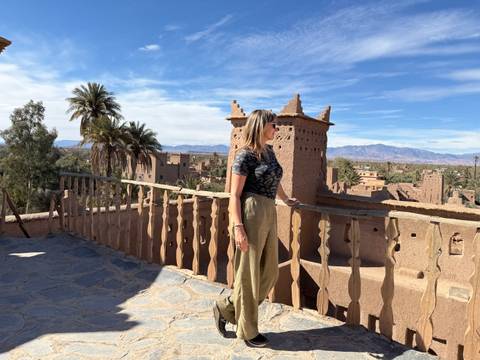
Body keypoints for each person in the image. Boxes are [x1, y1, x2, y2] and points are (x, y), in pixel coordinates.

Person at [213, 109, 299, 347]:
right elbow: (234, 196)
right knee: (248, 274)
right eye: (274, 125)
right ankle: (248, 331)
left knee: (270, 272)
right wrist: (238, 227)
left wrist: (285, 198)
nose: (277, 129)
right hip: (250, 213)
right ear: (261, 126)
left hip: (269, 212)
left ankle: (226, 306)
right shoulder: (245, 156)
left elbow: (275, 178)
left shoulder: (270, 152)